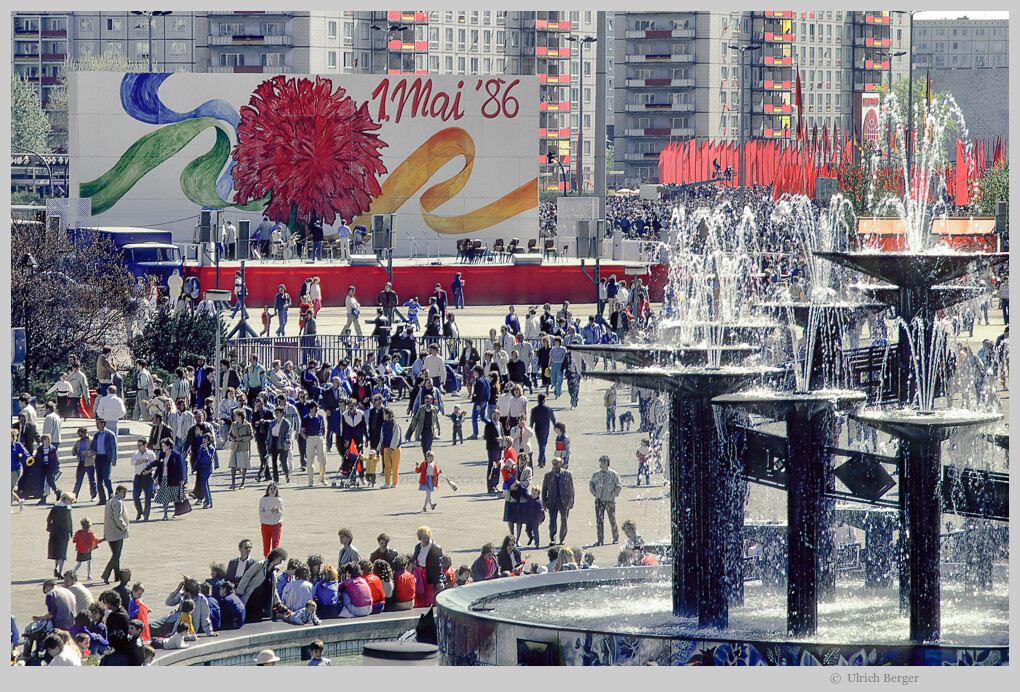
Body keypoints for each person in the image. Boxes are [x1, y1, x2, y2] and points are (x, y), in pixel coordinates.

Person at [236, 547, 287, 624]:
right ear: (275, 557)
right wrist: (239, 593)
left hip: (262, 605)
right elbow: (246, 577)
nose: (280, 562)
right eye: (280, 559)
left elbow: (274, 589)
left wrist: (278, 603)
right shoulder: (259, 565)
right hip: (251, 601)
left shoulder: (273, 571)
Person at [146, 438, 187, 521]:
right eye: (162, 446)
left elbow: (180, 467)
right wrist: (155, 476)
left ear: (168, 446)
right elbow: (159, 466)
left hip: (173, 478)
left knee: (175, 496)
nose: (162, 447)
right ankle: (165, 513)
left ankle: (177, 511)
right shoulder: (162, 454)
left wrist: (182, 479)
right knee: (165, 497)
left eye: (164, 446)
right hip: (164, 478)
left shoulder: (176, 455)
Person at [589, 455, 622, 546]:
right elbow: (591, 484)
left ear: (607, 464)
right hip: (599, 500)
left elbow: (618, 486)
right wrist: (594, 493)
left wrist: (613, 495)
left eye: (602, 463)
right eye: (600, 463)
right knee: (599, 520)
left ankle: (615, 537)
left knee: (612, 519)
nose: (601, 465)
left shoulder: (614, 475)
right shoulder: (596, 474)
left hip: (609, 500)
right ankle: (600, 540)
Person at [542, 456, 575, 546]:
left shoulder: (568, 474)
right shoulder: (548, 475)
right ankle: (552, 538)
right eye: (553, 464)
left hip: (564, 501)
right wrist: (544, 503)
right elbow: (544, 490)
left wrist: (571, 502)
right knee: (552, 521)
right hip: (552, 502)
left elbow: (571, 489)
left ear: (561, 464)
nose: (555, 465)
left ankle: (562, 538)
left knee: (564, 520)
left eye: (557, 463)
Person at [100, 486, 129, 584]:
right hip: (116, 532)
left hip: (110, 532)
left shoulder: (110, 501)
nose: (124, 494)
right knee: (116, 555)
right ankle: (106, 574)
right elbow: (118, 517)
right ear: (117, 492)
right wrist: (124, 527)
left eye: (125, 492)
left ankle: (117, 576)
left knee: (116, 555)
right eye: (122, 492)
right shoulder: (118, 502)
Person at [410, 526, 444, 607]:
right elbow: (414, 558)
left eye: (426, 538)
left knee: (429, 597)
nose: (424, 540)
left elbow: (438, 565)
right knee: (419, 596)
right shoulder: (418, 547)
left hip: (429, 574)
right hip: (419, 575)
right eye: (422, 538)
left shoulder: (435, 548)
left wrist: (439, 580)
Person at [503, 452, 532, 543]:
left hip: (521, 497)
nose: (522, 461)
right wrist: (511, 485)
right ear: (518, 459)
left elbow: (527, 482)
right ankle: (512, 537)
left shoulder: (528, 470)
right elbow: (506, 477)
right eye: (521, 459)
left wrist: (518, 484)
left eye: (524, 459)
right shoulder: (513, 468)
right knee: (510, 520)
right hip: (510, 497)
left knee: (519, 520)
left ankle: (517, 539)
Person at [46, 492, 75, 578]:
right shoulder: (67, 509)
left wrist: (49, 527)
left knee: (55, 552)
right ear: (65, 500)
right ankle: (60, 571)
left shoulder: (55, 508)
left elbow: (49, 519)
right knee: (62, 554)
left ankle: (55, 568)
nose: (71, 502)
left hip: (54, 532)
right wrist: (71, 532)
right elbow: (69, 523)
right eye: (70, 500)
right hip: (63, 533)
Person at [301, 401, 328, 487]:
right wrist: (307, 438)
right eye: (315, 408)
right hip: (310, 438)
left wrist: (323, 436)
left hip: (319, 438)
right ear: (311, 409)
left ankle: (322, 478)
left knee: (322, 459)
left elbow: (323, 428)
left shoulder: (320, 417)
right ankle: (310, 479)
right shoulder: (305, 418)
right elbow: (301, 431)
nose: (316, 409)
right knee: (310, 460)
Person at [379, 407, 403, 488]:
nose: (383, 415)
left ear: (388, 414)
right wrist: (378, 448)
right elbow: (381, 437)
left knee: (395, 466)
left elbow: (396, 436)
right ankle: (387, 482)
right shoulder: (384, 424)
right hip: (386, 447)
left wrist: (392, 448)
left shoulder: (395, 424)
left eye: (385, 414)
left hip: (395, 449)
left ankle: (394, 482)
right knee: (387, 466)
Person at [258, 482, 284, 557]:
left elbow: (282, 513)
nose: (272, 491)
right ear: (268, 490)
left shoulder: (279, 500)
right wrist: (271, 511)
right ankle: (266, 560)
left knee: (275, 544)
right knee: (266, 543)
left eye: (274, 489)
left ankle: (275, 560)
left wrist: (277, 511)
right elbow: (261, 514)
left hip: (276, 524)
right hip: (265, 524)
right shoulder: (263, 500)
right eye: (271, 489)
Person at [194, 433, 216, 509]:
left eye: (206, 439)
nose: (204, 441)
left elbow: (209, 458)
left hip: (207, 467)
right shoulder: (201, 447)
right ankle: (209, 501)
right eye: (203, 439)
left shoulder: (211, 448)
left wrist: (206, 449)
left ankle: (207, 501)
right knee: (205, 484)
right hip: (201, 467)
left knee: (204, 483)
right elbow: (198, 458)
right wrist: (195, 467)